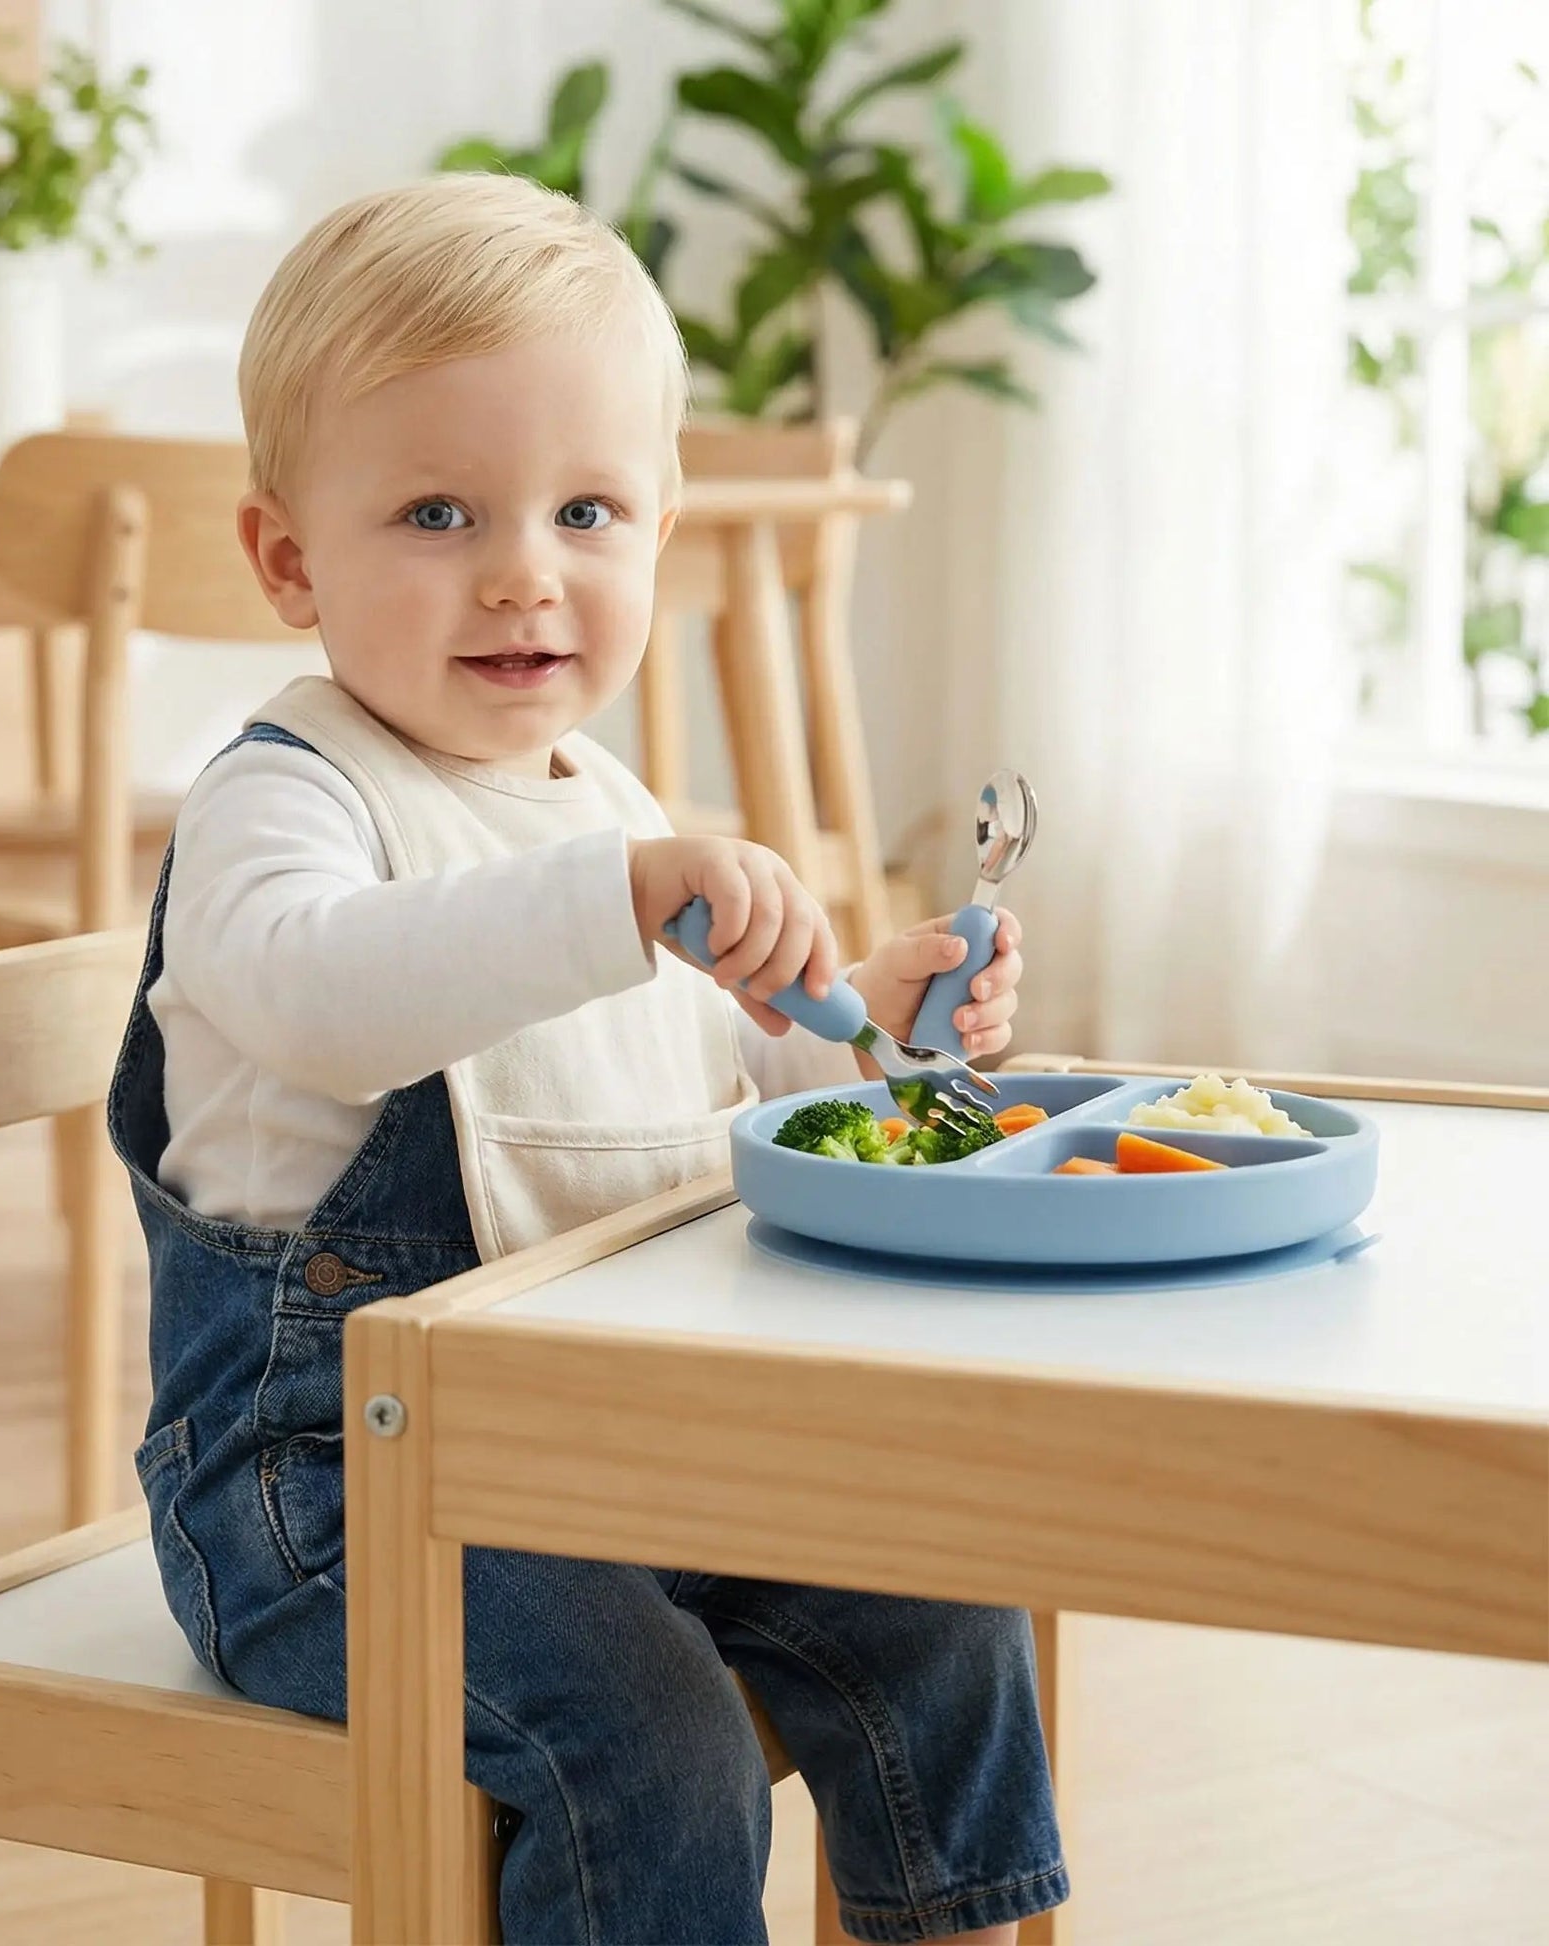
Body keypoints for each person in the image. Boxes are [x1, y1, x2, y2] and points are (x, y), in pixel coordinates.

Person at [108, 172, 1061, 1944]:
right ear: (287, 557)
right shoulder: (279, 801)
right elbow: (324, 995)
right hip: (321, 1499)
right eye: (438, 510)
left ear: (659, 529)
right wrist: (613, 895)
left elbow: (726, 1094)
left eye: (587, 508)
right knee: (651, 1736)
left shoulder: (602, 809)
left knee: (940, 1586)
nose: (522, 572)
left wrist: (873, 1025)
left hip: (602, 1460)